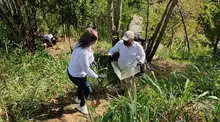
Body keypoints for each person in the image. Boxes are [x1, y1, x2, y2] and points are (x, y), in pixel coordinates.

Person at [67, 28, 104, 115]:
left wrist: (92, 60)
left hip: (71, 71)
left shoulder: (79, 44)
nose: (95, 42)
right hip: (77, 75)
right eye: (95, 40)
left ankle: (79, 98)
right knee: (88, 90)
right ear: (90, 41)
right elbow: (86, 69)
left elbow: (89, 51)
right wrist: (97, 76)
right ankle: (81, 106)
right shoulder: (83, 53)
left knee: (81, 85)